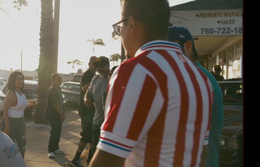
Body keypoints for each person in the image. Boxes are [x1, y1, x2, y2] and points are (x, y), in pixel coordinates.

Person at [89, 0, 214, 166]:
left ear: (131, 23)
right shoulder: (200, 79)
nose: (121, 34)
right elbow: (203, 153)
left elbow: (109, 157)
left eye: (120, 27)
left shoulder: (138, 70)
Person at [168, 26, 224, 167]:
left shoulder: (194, 77)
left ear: (188, 47)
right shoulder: (199, 75)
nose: (165, 55)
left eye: (171, 49)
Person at [71, 56, 97, 167]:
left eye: (96, 64)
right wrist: (96, 82)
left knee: (92, 135)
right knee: (87, 134)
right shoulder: (87, 75)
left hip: (91, 110)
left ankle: (90, 158)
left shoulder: (93, 75)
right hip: (86, 109)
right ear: (89, 64)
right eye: (93, 63)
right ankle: (76, 158)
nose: (95, 66)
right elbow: (84, 88)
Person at [84, 56, 110, 165]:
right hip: (97, 122)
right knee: (95, 152)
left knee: (108, 156)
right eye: (97, 66)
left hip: (110, 124)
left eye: (102, 66)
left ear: (107, 66)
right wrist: (86, 99)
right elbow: (88, 94)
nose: (99, 68)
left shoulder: (113, 76)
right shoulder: (95, 79)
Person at [3, 71, 28, 158]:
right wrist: (7, 126)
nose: (20, 81)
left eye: (22, 79)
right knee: (10, 147)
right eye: (18, 79)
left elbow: (22, 109)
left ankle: (20, 162)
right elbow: (5, 111)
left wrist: (23, 122)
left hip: (19, 122)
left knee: (23, 144)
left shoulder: (22, 92)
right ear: (13, 80)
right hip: (10, 122)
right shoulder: (11, 93)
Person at [46, 73, 66, 158]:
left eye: (60, 78)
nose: (60, 80)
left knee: (58, 131)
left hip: (59, 114)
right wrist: (61, 114)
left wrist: (63, 113)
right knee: (54, 132)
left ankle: (56, 148)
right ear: (53, 79)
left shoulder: (58, 88)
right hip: (54, 115)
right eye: (58, 78)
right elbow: (55, 103)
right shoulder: (52, 89)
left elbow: (60, 102)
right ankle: (50, 150)